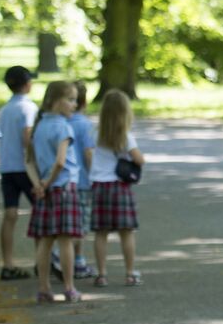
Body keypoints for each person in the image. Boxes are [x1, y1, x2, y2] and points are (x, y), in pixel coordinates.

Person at [27, 80, 84, 304]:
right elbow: (60, 162)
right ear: (56, 101)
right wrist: (49, 182)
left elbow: (28, 161)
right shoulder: (63, 127)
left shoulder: (39, 125)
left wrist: (38, 184)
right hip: (63, 187)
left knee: (45, 240)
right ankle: (69, 288)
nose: (74, 104)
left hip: (45, 189)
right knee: (65, 241)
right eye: (70, 100)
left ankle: (43, 288)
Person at [90, 89, 144, 287]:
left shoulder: (96, 134)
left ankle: (102, 274)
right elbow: (139, 159)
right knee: (126, 231)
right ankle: (129, 272)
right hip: (119, 187)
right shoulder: (126, 136)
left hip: (99, 186)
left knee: (101, 232)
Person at [0, 66, 39, 280]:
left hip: (7, 167)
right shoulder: (28, 108)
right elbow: (28, 137)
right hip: (25, 168)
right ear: (26, 84)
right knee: (41, 212)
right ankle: (42, 261)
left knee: (10, 215)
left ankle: (8, 263)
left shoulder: (5, 109)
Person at [66, 80, 97, 280]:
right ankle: (77, 260)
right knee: (80, 225)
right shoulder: (85, 125)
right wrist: (94, 175)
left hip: (64, 182)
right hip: (83, 181)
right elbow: (88, 153)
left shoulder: (62, 121)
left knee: (67, 222)